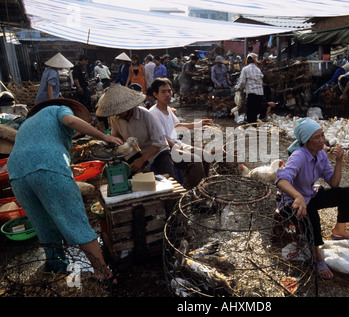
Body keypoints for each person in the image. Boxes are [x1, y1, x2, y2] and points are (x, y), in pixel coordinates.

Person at [7, 98, 122, 282]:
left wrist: (64, 168)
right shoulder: (59, 109)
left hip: (16, 174)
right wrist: (104, 136)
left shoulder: (28, 123)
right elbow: (69, 121)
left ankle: (59, 271)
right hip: (46, 167)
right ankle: (102, 273)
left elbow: (34, 151)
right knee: (75, 222)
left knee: (44, 226)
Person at [276, 117, 349, 280]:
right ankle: (318, 257)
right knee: (311, 214)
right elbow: (281, 180)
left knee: (345, 193)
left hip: (310, 195)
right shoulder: (299, 156)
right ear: (306, 141)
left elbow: (334, 183)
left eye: (322, 135)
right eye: (317, 137)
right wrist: (297, 195)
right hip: (291, 202)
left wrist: (339, 161)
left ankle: (339, 231)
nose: (322, 139)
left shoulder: (321, 154)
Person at [95, 84, 178, 179]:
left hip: (156, 151)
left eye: (119, 111)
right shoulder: (114, 118)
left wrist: (142, 160)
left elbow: (159, 142)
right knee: (126, 176)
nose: (116, 114)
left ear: (127, 108)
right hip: (136, 152)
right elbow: (116, 136)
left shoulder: (145, 115)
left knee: (170, 180)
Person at [148, 78, 212, 189]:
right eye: (163, 92)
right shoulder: (153, 113)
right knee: (195, 160)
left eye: (169, 91)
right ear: (155, 94)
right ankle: (196, 194)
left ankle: (203, 187)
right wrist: (177, 147)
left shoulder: (167, 109)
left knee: (205, 155)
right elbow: (162, 137)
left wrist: (198, 124)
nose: (168, 94)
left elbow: (177, 125)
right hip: (165, 150)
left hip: (176, 144)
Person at [235, 53, 265, 124]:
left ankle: (252, 129)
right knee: (255, 112)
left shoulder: (245, 69)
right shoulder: (258, 70)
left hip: (251, 94)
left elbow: (242, 82)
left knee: (250, 113)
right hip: (260, 94)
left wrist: (238, 88)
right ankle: (254, 127)